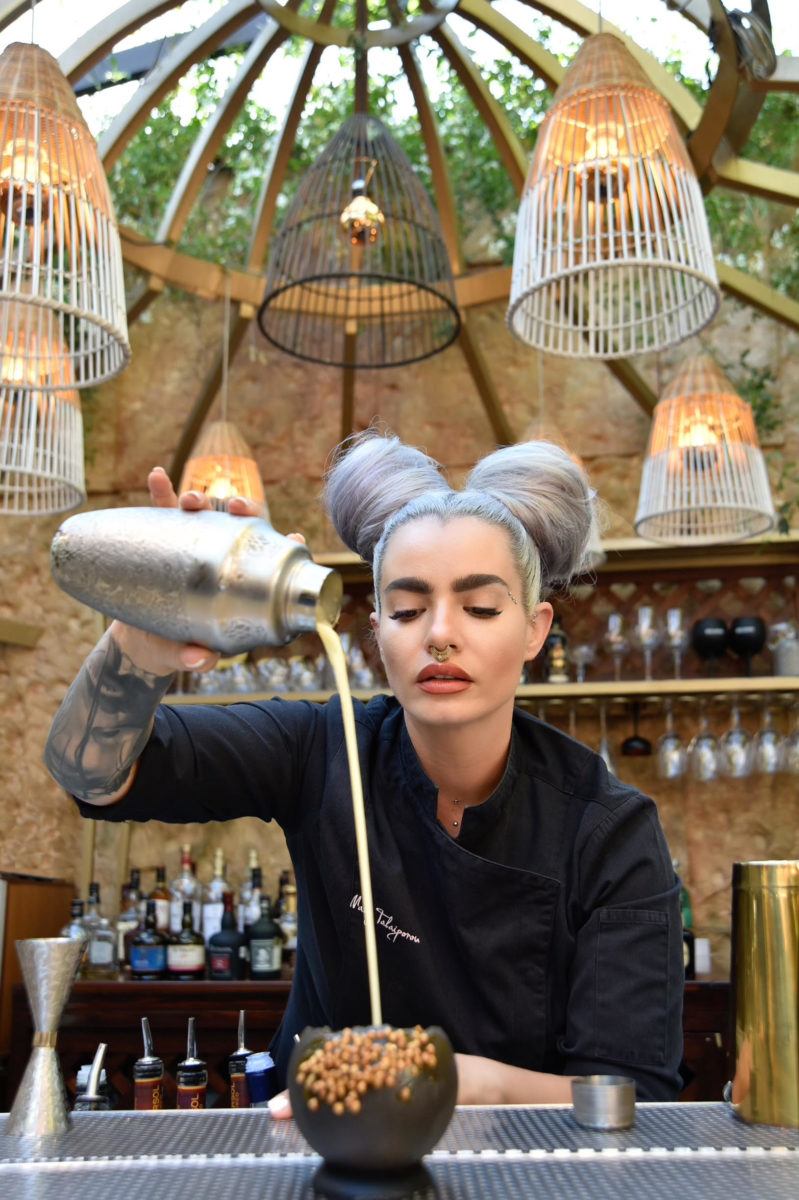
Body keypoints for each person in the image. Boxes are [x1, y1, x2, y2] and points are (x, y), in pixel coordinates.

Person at [44, 429, 684, 1106]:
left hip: (523, 1159)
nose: (440, 633)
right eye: (408, 609)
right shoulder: (320, 748)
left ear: (535, 629)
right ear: (377, 632)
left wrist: (460, 1083)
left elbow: (634, 1096)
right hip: (318, 1142)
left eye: (480, 607)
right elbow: (93, 775)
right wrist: (137, 646)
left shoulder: (608, 829)